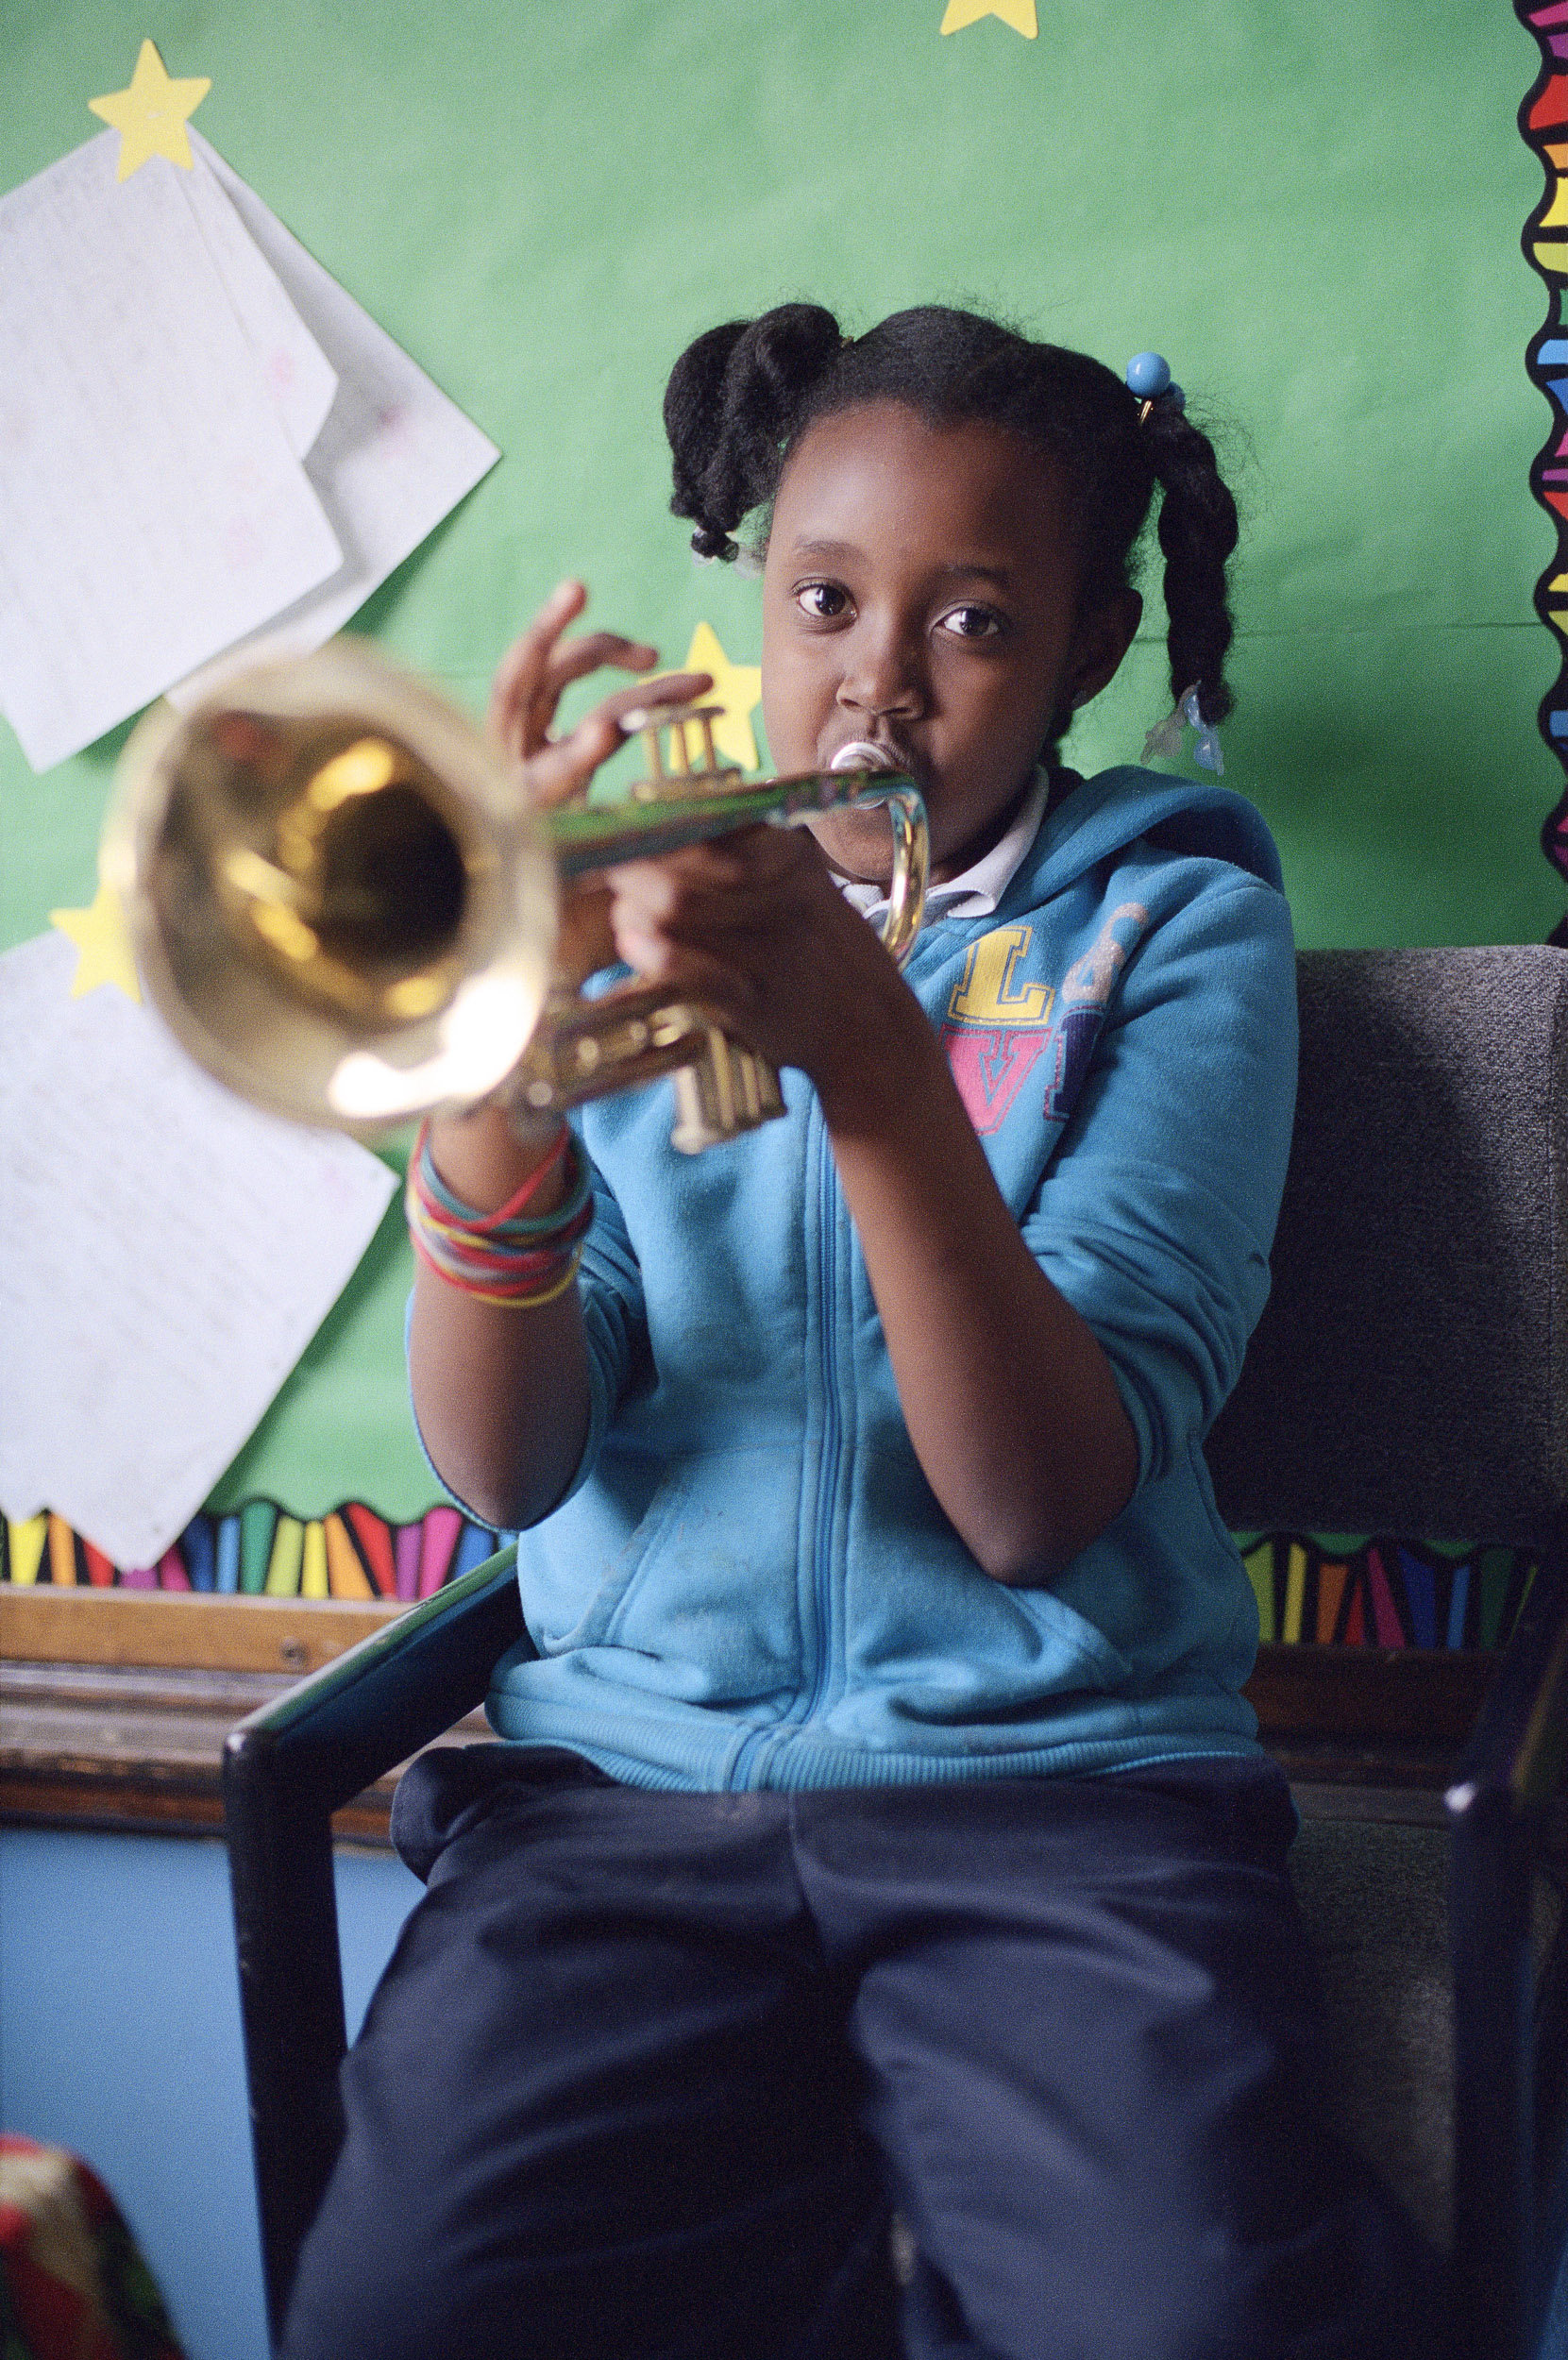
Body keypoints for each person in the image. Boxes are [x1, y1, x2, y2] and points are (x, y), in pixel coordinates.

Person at [280, 305, 1431, 2360]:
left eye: (972, 622)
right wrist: (497, 1087)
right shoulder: (642, 924)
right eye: (823, 601)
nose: (875, 682)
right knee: (398, 2314)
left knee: (1188, 2323)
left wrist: (880, 1070)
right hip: (624, 1804)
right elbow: (508, 1466)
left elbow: (1033, 1504)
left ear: (1086, 649)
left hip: (1062, 1803)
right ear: (754, 601)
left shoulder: (1177, 923)